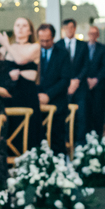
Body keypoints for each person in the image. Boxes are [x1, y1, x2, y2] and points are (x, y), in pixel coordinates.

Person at [5, 17, 41, 149]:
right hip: (10, 95)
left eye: (24, 25)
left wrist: (7, 44)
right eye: (17, 25)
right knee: (11, 131)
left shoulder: (35, 47)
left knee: (29, 131)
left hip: (27, 95)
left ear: (30, 31)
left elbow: (20, 60)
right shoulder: (4, 50)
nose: (20, 28)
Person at [36, 23, 71, 152]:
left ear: (53, 38)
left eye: (47, 40)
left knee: (57, 139)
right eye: (41, 40)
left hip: (57, 104)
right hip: (37, 103)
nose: (44, 43)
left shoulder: (62, 54)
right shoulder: (34, 53)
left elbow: (65, 80)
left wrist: (49, 95)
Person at [59, 19, 88, 145]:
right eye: (66, 28)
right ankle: (66, 141)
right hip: (64, 87)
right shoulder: (58, 45)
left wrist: (77, 80)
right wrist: (67, 82)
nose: (69, 30)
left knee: (81, 116)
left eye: (71, 27)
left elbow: (86, 65)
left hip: (80, 87)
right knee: (64, 115)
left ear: (75, 28)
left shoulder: (83, 45)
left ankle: (80, 143)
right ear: (63, 29)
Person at [84, 25, 105, 139]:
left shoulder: (102, 48)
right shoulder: (82, 47)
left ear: (98, 35)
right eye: (90, 33)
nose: (92, 36)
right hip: (85, 85)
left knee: (98, 113)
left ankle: (98, 138)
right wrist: (86, 79)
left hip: (99, 86)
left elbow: (104, 67)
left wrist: (95, 80)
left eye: (95, 33)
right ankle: (88, 138)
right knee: (86, 113)